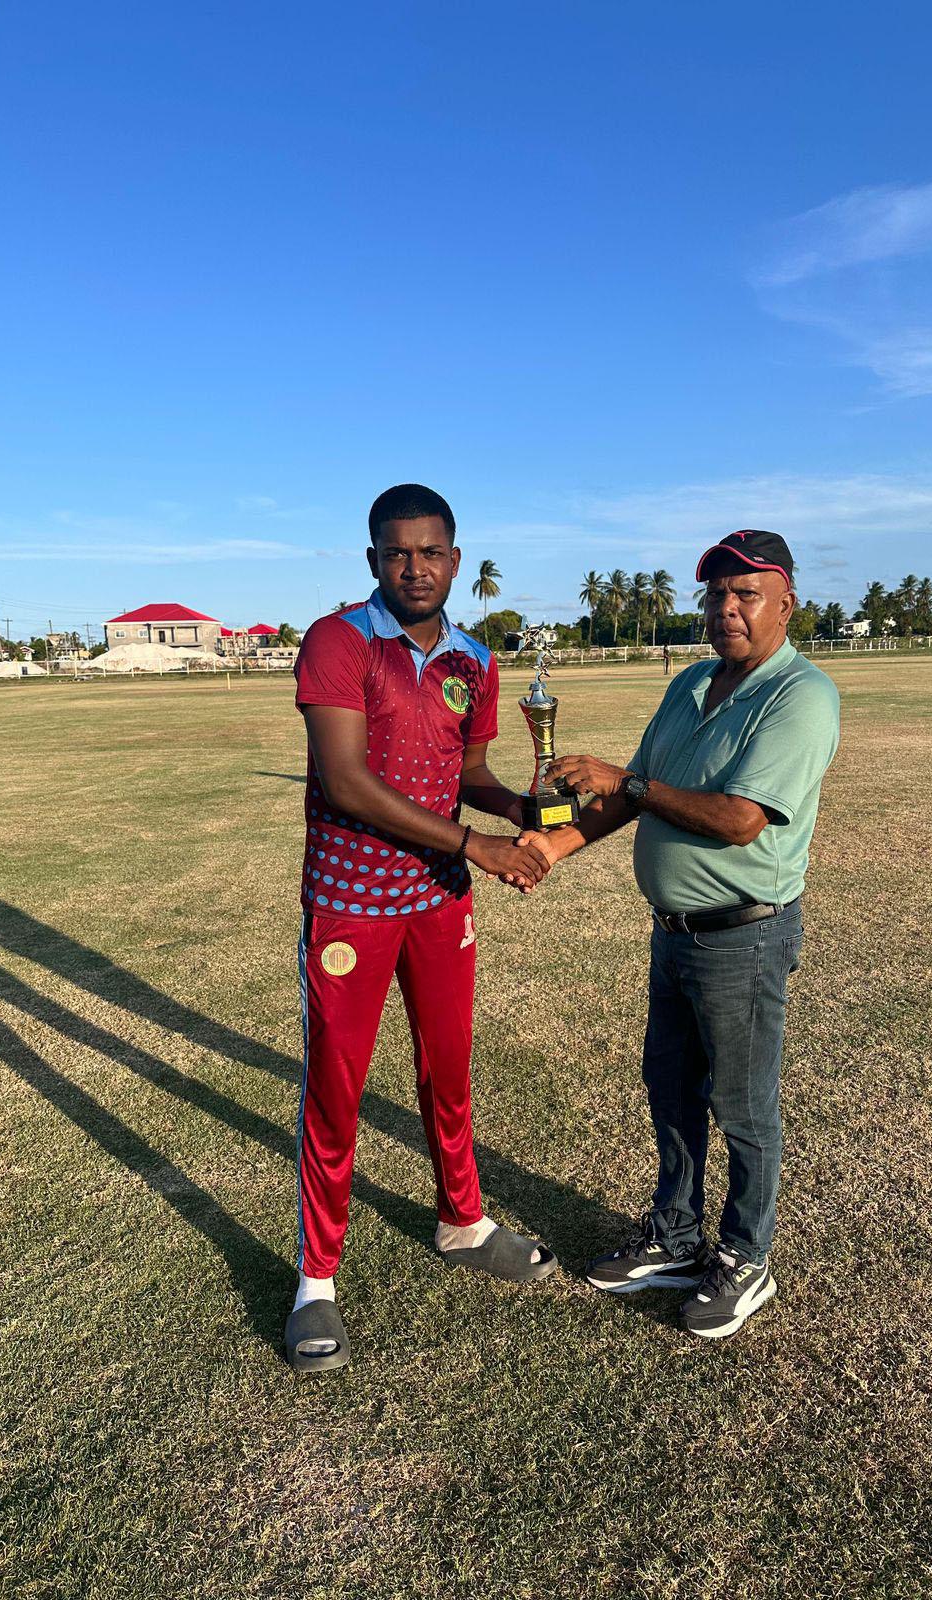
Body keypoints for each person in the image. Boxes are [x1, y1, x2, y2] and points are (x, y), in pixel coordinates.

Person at [536, 529, 839, 1340]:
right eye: (715, 594)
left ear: (786, 603)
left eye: (746, 594)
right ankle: (674, 1236)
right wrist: (551, 847)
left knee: (741, 1104)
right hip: (673, 936)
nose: (727, 609)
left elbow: (740, 820)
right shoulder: (693, 683)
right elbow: (631, 797)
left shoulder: (800, 695)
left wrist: (626, 779)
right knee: (669, 1089)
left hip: (743, 937)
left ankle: (745, 1259)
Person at [285, 483, 557, 1374]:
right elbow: (350, 780)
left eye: (431, 552)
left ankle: (462, 1221)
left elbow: (466, 768)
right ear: (373, 561)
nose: (415, 567)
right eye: (397, 553)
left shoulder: (474, 659)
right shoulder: (339, 641)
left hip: (440, 900)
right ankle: (315, 1282)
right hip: (353, 905)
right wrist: (477, 843)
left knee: (449, 1070)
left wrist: (523, 805)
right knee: (338, 1085)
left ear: (455, 559)